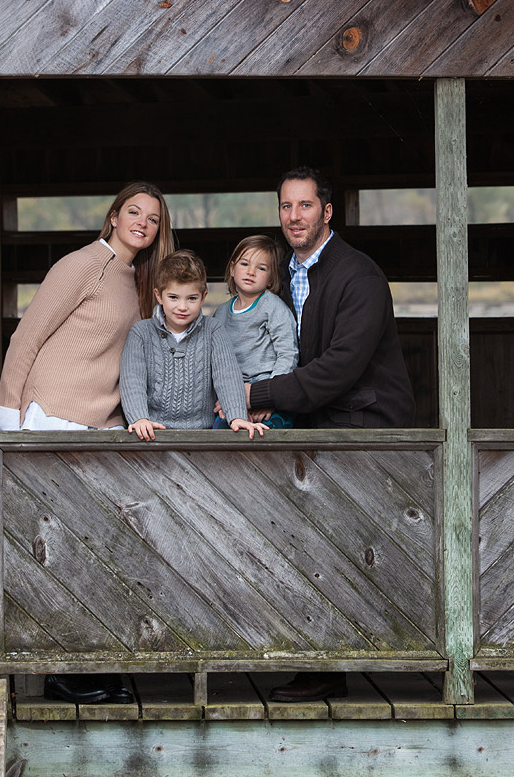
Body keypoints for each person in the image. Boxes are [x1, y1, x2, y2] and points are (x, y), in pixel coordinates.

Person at [0, 181, 174, 705]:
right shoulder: (82, 265)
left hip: (101, 422)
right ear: (114, 217)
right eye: (133, 211)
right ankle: (60, 674)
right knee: (59, 551)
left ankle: (87, 661)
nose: (143, 222)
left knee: (98, 549)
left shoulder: (141, 281)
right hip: (53, 415)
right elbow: (25, 338)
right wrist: (9, 419)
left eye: (154, 218)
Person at [247, 166, 415, 702]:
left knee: (345, 548)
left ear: (327, 212)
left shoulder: (356, 275)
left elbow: (341, 366)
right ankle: (322, 664)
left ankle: (335, 667)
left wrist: (257, 395)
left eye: (304, 206)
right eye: (285, 206)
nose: (293, 217)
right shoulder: (284, 277)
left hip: (362, 426)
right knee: (309, 544)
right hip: (313, 425)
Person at [120, 250, 267, 440]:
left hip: (203, 433)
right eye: (173, 297)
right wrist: (139, 418)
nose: (182, 307)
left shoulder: (213, 330)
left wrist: (236, 416)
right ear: (159, 295)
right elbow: (132, 381)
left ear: (203, 297)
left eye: (191, 298)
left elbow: (227, 376)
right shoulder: (141, 333)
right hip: (152, 432)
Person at [212, 235, 298, 428]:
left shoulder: (272, 307)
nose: (251, 272)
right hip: (234, 389)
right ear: (232, 269)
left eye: (261, 268)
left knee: (272, 431)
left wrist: (270, 397)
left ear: (270, 279)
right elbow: (215, 361)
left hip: (267, 386)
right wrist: (228, 399)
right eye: (244, 264)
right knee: (219, 430)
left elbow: (288, 353)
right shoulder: (221, 313)